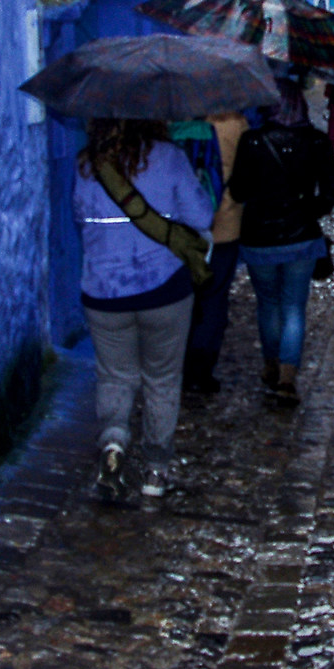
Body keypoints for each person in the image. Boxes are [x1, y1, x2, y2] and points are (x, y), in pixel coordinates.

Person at [75, 118, 212, 503]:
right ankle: (155, 470)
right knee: (162, 380)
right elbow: (202, 217)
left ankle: (114, 446)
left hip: (103, 293)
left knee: (115, 376)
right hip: (164, 291)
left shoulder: (86, 164)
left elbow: (79, 220)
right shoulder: (169, 158)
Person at [228, 80, 334, 406]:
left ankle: (270, 364)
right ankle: (287, 376)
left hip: (258, 238)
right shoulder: (318, 142)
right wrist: (308, 209)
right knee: (294, 306)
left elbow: (238, 191)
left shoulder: (251, 141)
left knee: (268, 304)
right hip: (301, 238)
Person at [183, 111, 247, 396]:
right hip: (225, 223)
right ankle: (203, 368)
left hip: (183, 226)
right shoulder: (235, 123)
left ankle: (181, 364)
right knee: (215, 296)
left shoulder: (177, 124)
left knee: (185, 296)